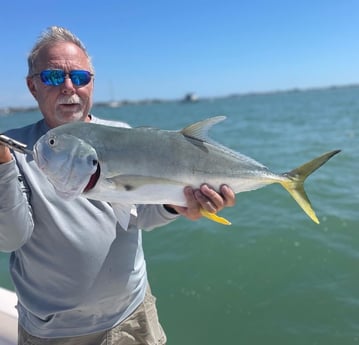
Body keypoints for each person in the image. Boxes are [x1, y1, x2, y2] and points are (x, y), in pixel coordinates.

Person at [0, 26, 235, 345]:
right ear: (32, 86)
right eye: (54, 77)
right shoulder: (14, 149)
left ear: (91, 84)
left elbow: (138, 215)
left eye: (80, 77)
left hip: (131, 316)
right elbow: (11, 238)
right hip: (54, 331)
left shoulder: (120, 132)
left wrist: (175, 204)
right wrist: (3, 167)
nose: (69, 87)